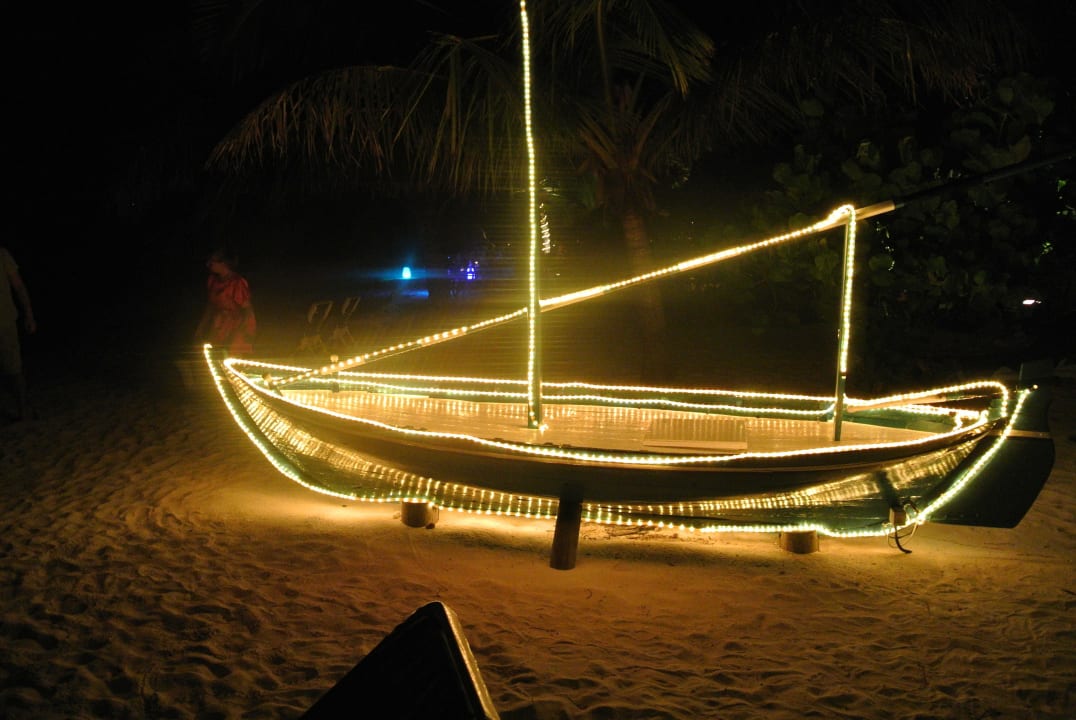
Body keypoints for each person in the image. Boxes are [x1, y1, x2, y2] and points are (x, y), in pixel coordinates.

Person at [195, 246, 256, 357]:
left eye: (212, 261)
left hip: (237, 323)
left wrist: (241, 332)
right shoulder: (212, 280)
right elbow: (211, 306)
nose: (208, 264)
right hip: (220, 323)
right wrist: (201, 327)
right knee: (213, 354)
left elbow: (247, 310)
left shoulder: (237, 282)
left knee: (232, 356)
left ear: (223, 263)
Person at [0, 245, 36, 421]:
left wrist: (28, 314)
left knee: (14, 368)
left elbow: (18, 286)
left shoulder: (2, 255)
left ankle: (23, 409)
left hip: (4, 321)